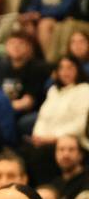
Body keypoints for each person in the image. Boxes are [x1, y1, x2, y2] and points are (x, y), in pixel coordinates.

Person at [28, 56, 89, 184]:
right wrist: (37, 135)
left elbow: (79, 125)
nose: (65, 72)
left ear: (78, 70)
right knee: (26, 151)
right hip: (46, 140)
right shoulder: (53, 91)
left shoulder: (84, 89)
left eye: (70, 68)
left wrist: (53, 138)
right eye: (61, 68)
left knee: (42, 154)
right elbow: (42, 118)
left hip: (74, 140)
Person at [0, 31, 50, 138]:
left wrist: (2, 107)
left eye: (20, 43)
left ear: (29, 47)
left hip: (28, 112)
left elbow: (27, 102)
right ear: (6, 47)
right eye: (12, 43)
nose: (16, 47)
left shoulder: (37, 68)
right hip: (7, 109)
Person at [50, 135, 89, 199]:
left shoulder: (87, 179)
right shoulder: (54, 184)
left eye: (71, 150)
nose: (65, 154)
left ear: (80, 154)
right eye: (61, 149)